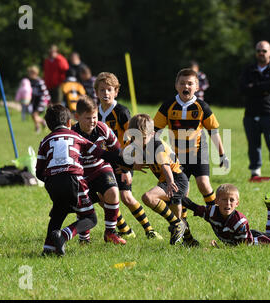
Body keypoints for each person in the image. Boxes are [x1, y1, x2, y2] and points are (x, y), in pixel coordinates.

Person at [36, 104, 126, 256]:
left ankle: (48, 249)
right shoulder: (77, 137)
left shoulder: (44, 141)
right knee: (90, 218)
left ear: (48, 125)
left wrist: (52, 179)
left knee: (59, 212)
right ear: (70, 123)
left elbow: (38, 172)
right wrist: (127, 162)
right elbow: (102, 154)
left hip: (52, 182)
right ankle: (64, 235)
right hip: (74, 179)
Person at [94, 72, 161, 240]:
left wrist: (127, 167)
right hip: (103, 161)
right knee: (102, 198)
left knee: (126, 197)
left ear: (116, 91)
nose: (105, 93)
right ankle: (124, 229)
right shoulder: (94, 112)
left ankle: (149, 230)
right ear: (96, 92)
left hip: (123, 160)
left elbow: (134, 138)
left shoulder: (121, 111)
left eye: (109, 89)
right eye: (102, 90)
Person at [154, 68, 229, 209]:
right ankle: (183, 225)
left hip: (198, 152)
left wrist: (222, 155)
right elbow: (154, 132)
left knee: (204, 184)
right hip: (177, 155)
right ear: (176, 86)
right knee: (182, 190)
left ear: (197, 87)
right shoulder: (168, 106)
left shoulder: (202, 107)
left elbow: (214, 132)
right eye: (182, 83)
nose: (186, 86)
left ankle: (215, 215)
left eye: (190, 83)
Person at [124, 113, 192, 245]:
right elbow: (124, 155)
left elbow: (165, 166)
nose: (138, 141)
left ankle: (177, 224)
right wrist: (130, 167)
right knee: (177, 223)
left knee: (148, 197)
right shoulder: (138, 142)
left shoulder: (156, 145)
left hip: (176, 180)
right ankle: (189, 241)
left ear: (153, 134)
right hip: (168, 181)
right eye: (134, 137)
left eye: (142, 138)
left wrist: (171, 182)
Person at [71, 95, 128, 244]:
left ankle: (110, 233)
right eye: (87, 118)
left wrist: (125, 169)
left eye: (94, 117)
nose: (92, 121)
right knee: (83, 205)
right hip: (81, 174)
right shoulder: (72, 133)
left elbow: (116, 151)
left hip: (101, 168)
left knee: (113, 193)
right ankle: (84, 238)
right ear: (77, 117)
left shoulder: (103, 129)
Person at [239, 40, 270, 178]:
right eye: (259, 50)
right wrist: (262, 88)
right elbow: (242, 88)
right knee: (253, 145)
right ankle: (255, 171)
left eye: (264, 50)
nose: (261, 53)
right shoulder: (248, 70)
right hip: (251, 114)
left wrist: (253, 87)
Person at [27, 65, 50, 133]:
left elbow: (45, 92)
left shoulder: (39, 81)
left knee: (35, 115)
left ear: (35, 73)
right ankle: (38, 127)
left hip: (40, 101)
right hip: (33, 101)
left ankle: (43, 123)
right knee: (33, 116)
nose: (29, 74)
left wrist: (47, 101)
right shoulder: (31, 82)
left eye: (31, 73)